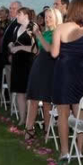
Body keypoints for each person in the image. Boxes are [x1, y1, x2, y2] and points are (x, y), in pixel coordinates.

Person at [51, 0, 83, 160]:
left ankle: (64, 151)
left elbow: (54, 53)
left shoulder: (61, 28)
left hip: (64, 71)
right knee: (80, 111)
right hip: (81, 71)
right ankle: (79, 151)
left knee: (63, 113)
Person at [25, 7, 62, 140]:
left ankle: (48, 129)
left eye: (50, 17)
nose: (47, 20)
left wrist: (38, 34)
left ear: (57, 18)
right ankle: (29, 128)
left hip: (50, 67)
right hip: (39, 65)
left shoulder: (57, 32)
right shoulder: (46, 32)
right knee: (33, 97)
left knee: (47, 100)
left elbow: (50, 49)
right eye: (46, 17)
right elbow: (39, 50)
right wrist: (35, 36)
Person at [8, 7, 36, 126]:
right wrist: (11, 46)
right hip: (17, 63)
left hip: (28, 64)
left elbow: (35, 49)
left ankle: (30, 121)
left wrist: (19, 48)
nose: (16, 16)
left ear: (25, 15)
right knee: (19, 92)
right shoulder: (16, 28)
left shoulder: (33, 27)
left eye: (18, 14)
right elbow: (12, 43)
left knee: (28, 93)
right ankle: (22, 118)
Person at [0, 1, 21, 90]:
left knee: (15, 88)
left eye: (14, 8)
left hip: (13, 59)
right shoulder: (12, 21)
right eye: (10, 8)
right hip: (8, 60)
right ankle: (12, 103)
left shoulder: (19, 23)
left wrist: (11, 55)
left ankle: (14, 104)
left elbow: (17, 41)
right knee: (11, 87)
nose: (11, 10)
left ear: (20, 10)